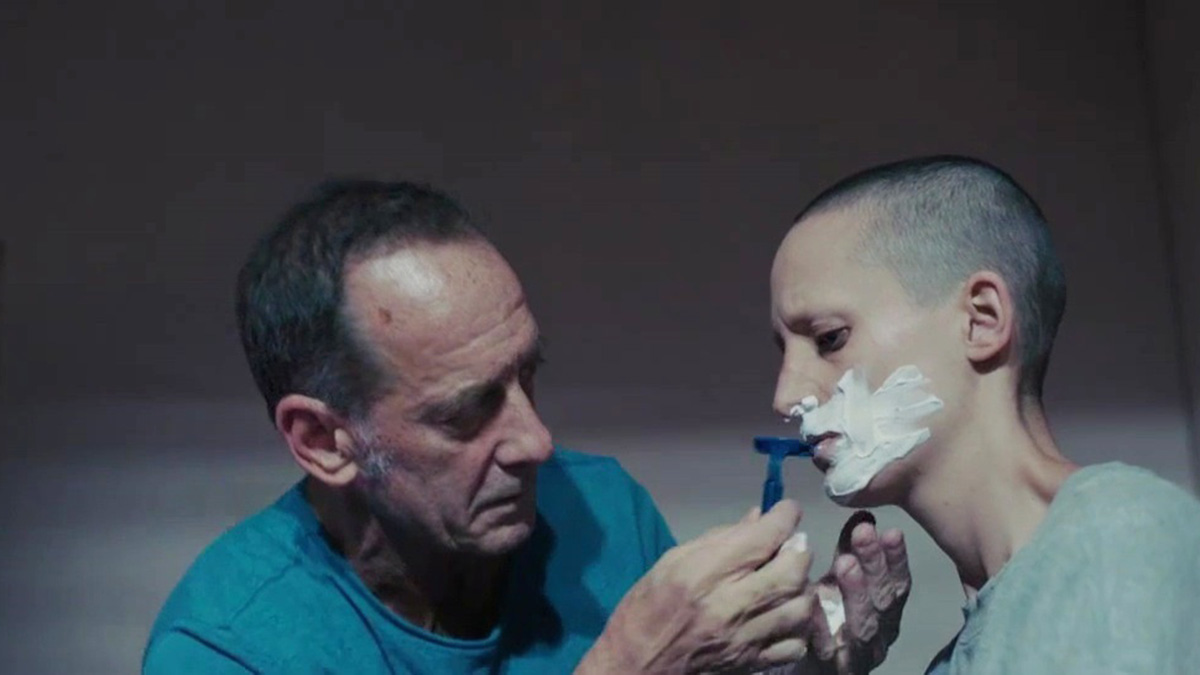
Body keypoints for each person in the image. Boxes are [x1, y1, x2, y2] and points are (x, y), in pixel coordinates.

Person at [144, 180, 907, 674]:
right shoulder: (228, 648)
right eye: (466, 410)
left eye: (527, 375)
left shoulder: (601, 512)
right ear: (322, 441)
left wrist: (810, 671)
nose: (536, 441)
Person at [769, 155, 1200, 674]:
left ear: (982, 320)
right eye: (784, 352)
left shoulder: (1119, 538)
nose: (786, 397)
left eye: (829, 338)